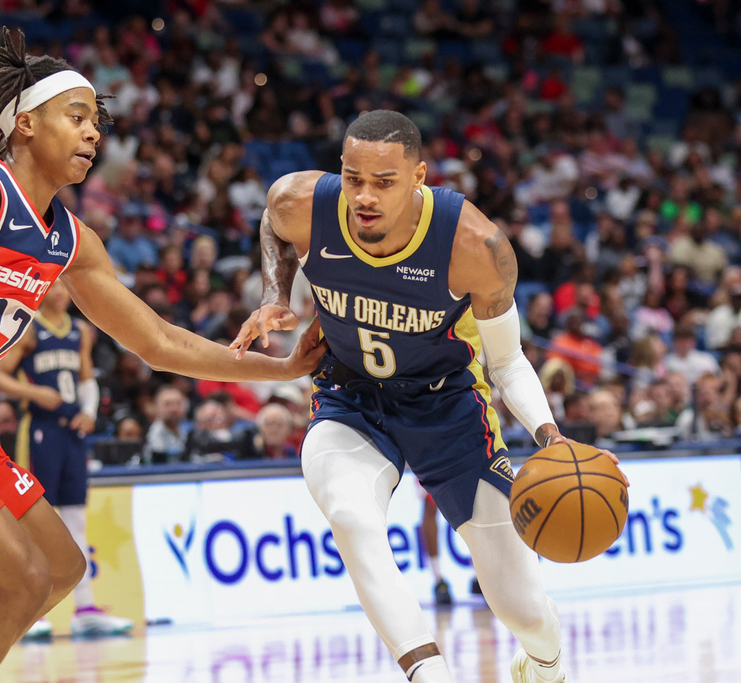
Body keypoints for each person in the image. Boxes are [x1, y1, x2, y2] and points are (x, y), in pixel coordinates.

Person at [0, 29, 324, 683]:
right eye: (76, 117)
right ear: (24, 124)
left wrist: (283, 368)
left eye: (96, 123)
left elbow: (156, 342)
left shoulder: (69, 239)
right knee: (19, 583)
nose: (93, 133)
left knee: (62, 568)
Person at [230, 110, 625, 683]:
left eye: (383, 183)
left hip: (449, 406)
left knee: (525, 610)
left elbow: (509, 362)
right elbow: (273, 221)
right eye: (353, 178)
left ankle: (546, 665)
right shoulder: (302, 201)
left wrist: (553, 439)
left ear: (419, 177)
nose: (363, 196)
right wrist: (273, 290)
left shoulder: (474, 244)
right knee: (349, 516)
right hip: (351, 397)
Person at [0, 279, 133, 638]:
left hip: (72, 433)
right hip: (39, 430)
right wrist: (33, 391)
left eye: (63, 286)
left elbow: (86, 379)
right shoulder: (27, 327)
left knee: (76, 521)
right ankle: (33, 609)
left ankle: (84, 608)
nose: (58, 292)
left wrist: (88, 411)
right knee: (37, 520)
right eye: (51, 286)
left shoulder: (81, 330)